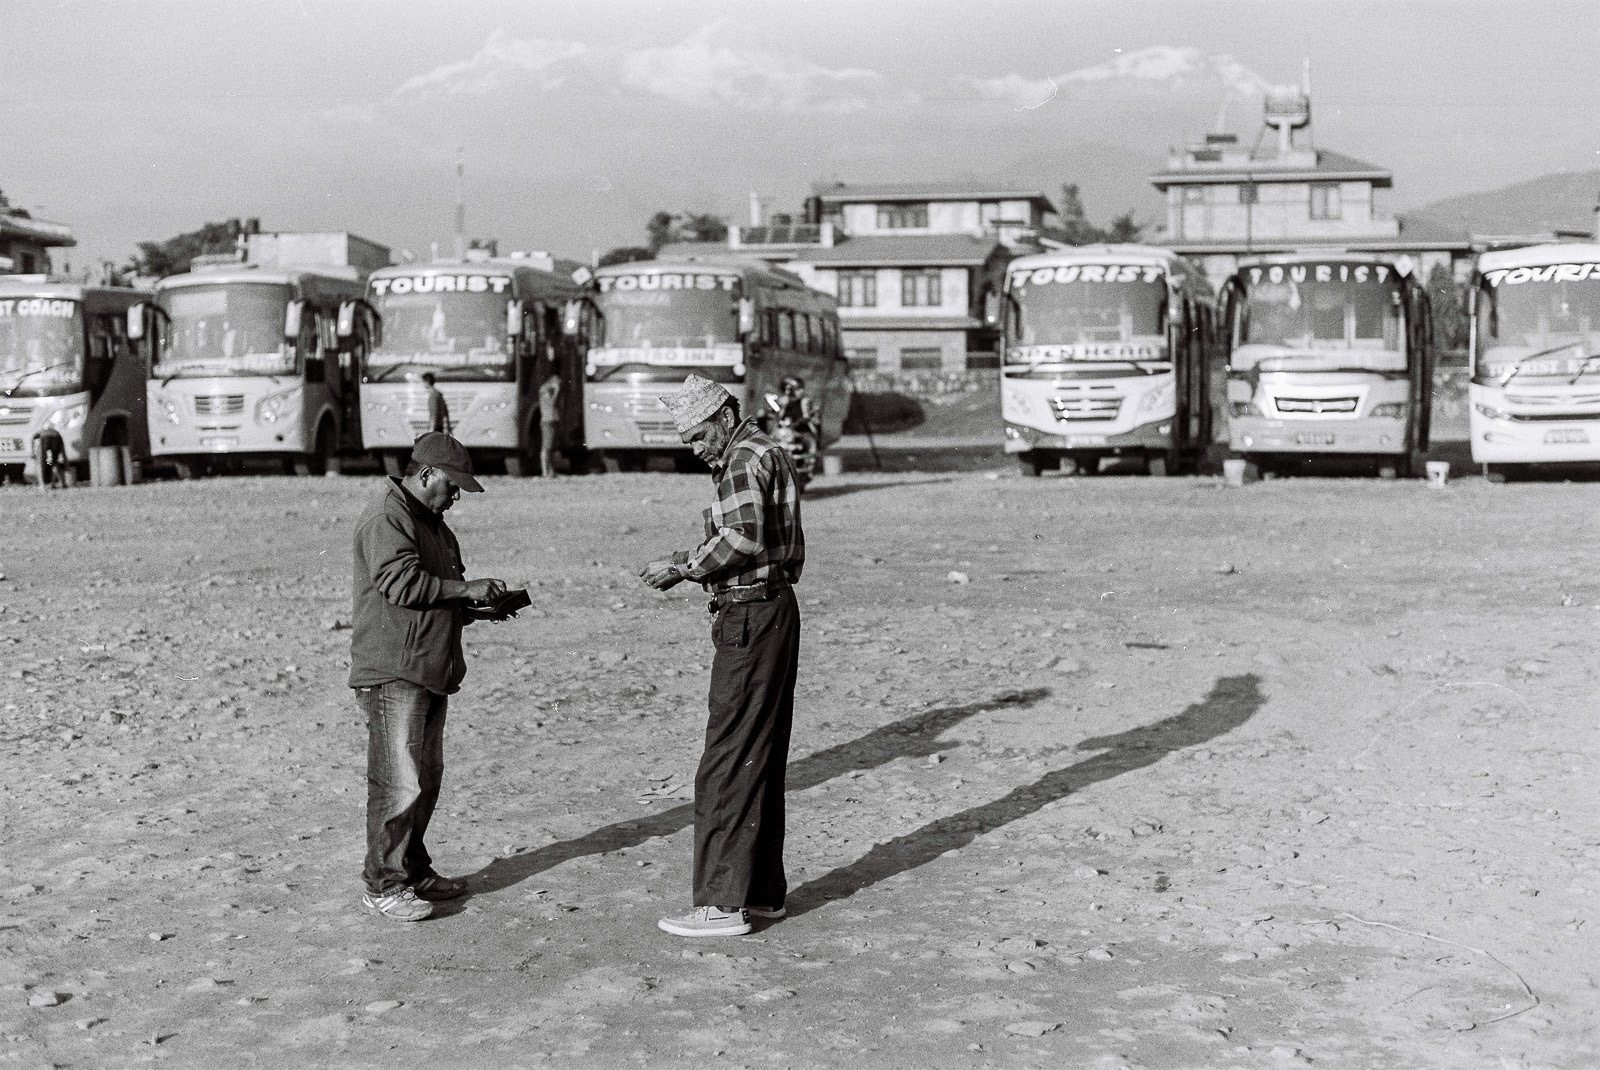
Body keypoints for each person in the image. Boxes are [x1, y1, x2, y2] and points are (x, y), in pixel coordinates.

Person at [640, 374, 805, 937]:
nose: (694, 448)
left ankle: (719, 904)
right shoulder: (766, 451)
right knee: (760, 753)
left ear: (725, 417)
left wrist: (684, 565)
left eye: (697, 435)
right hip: (774, 610)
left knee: (727, 759)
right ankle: (760, 894)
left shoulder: (741, 459)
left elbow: (742, 538)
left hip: (751, 616)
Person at [349, 431, 505, 922]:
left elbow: (434, 597)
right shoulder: (387, 517)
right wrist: (465, 589)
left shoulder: (432, 522)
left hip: (427, 666)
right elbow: (400, 583)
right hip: (394, 668)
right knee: (398, 784)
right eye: (452, 485)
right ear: (425, 475)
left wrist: (477, 607)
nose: (456, 496)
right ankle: (384, 884)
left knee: (425, 780)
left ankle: (413, 871)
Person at [538, 372, 562, 477]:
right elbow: (552, 403)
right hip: (548, 420)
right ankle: (545, 472)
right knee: (546, 447)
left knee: (550, 447)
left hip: (551, 419)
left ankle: (551, 471)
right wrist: (557, 390)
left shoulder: (545, 389)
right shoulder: (546, 390)